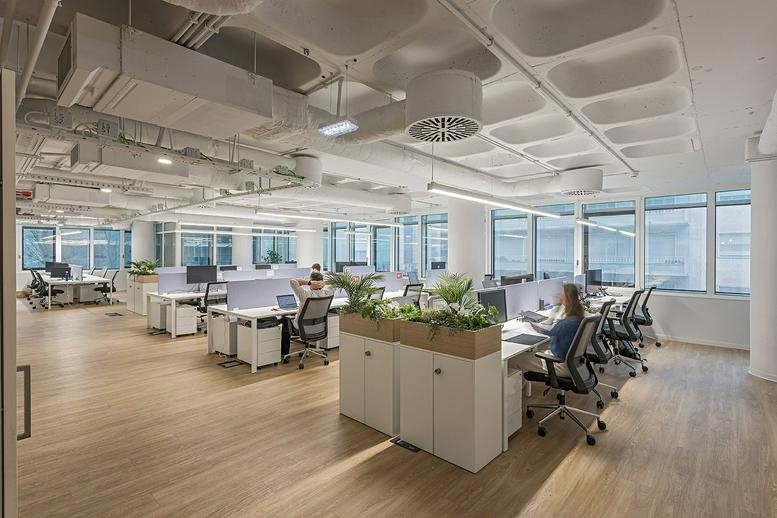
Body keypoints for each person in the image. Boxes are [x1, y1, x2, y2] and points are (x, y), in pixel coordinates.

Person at [514, 283, 585, 378]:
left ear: (567, 298)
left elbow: (548, 332)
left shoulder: (568, 322)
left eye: (562, 294)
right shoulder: (577, 317)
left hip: (559, 364)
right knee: (531, 353)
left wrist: (532, 325)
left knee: (515, 359)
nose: (559, 295)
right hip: (571, 363)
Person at [280, 271, 335, 357]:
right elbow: (336, 281)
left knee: (284, 319)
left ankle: (285, 354)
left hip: (302, 328)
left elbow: (293, 282)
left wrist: (308, 283)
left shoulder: (305, 295)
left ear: (311, 282)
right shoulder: (328, 293)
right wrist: (323, 283)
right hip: (318, 327)